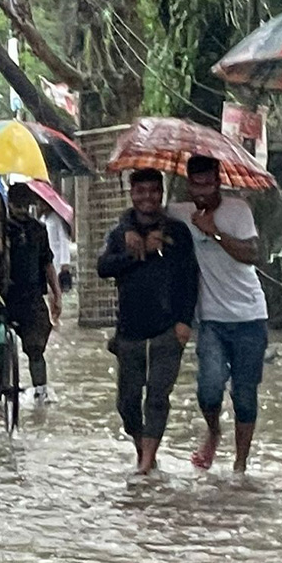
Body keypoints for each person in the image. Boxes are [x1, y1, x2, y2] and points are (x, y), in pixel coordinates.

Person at [161, 155, 268, 473]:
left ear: (218, 182)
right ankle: (213, 432)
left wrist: (215, 232)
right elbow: (152, 216)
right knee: (208, 388)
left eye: (208, 184)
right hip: (211, 320)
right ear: (188, 183)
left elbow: (252, 254)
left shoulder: (238, 210)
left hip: (250, 316)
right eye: (196, 184)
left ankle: (240, 465)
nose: (202, 192)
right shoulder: (181, 213)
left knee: (245, 394)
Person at [98, 168, 198, 475]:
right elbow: (103, 268)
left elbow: (190, 279)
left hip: (167, 331)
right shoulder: (120, 234)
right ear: (132, 194)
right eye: (141, 191)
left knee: (157, 396)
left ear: (162, 193)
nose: (147, 197)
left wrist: (184, 322)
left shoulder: (178, 232)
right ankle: (144, 450)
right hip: (129, 332)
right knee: (127, 403)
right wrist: (138, 253)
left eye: (153, 191)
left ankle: (144, 463)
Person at [6, 182, 63, 407]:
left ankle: (41, 391)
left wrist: (56, 294)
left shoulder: (38, 230)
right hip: (4, 295)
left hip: (31, 297)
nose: (21, 209)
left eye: (24, 204)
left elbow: (48, 263)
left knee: (36, 346)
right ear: (9, 204)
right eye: (17, 204)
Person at [41, 203, 73, 294]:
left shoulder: (57, 220)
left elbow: (63, 240)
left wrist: (65, 261)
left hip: (57, 257)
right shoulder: (42, 220)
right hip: (47, 256)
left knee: (56, 288)